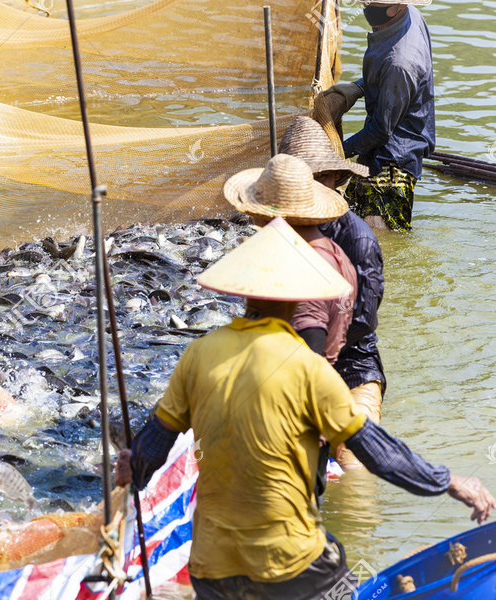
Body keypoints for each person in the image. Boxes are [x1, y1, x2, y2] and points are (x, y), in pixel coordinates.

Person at [114, 214, 495, 599]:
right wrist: (449, 481)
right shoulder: (307, 368)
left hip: (211, 567)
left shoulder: (199, 354)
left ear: (246, 291)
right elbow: (378, 452)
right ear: (300, 297)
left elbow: (151, 447)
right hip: (290, 564)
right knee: (342, 587)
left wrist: (134, 468)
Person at [279, 116, 386, 469]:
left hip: (351, 366)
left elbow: (362, 322)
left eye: (320, 178)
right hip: (291, 364)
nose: (314, 187)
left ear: (334, 178)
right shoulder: (278, 230)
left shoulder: (357, 240)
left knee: (356, 467)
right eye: (303, 180)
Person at [223, 154, 357, 367]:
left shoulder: (302, 269)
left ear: (268, 217)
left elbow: (308, 355)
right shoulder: (335, 252)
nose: (252, 219)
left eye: (254, 212)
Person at [323, 0, 435, 232]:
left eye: (375, 3)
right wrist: (359, 87)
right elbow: (390, 81)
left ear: (399, 7)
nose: (367, 7)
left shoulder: (401, 63)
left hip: (393, 164)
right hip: (377, 151)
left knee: (378, 239)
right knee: (348, 224)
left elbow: (380, 131)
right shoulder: (408, 16)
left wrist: (336, 153)